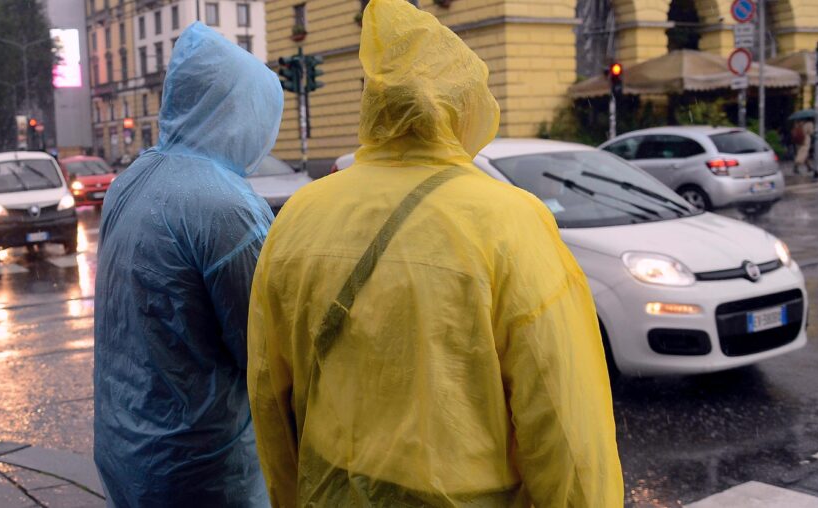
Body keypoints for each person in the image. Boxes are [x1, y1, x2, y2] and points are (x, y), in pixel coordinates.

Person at [247, 0, 623, 506]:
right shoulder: (508, 220)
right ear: (463, 107)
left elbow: (270, 390)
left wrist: (290, 495)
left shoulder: (299, 213)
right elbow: (562, 413)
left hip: (329, 491)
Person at [93, 22, 282, 507]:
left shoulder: (131, 180)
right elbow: (266, 356)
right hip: (205, 471)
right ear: (239, 113)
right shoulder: (226, 207)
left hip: (129, 452)